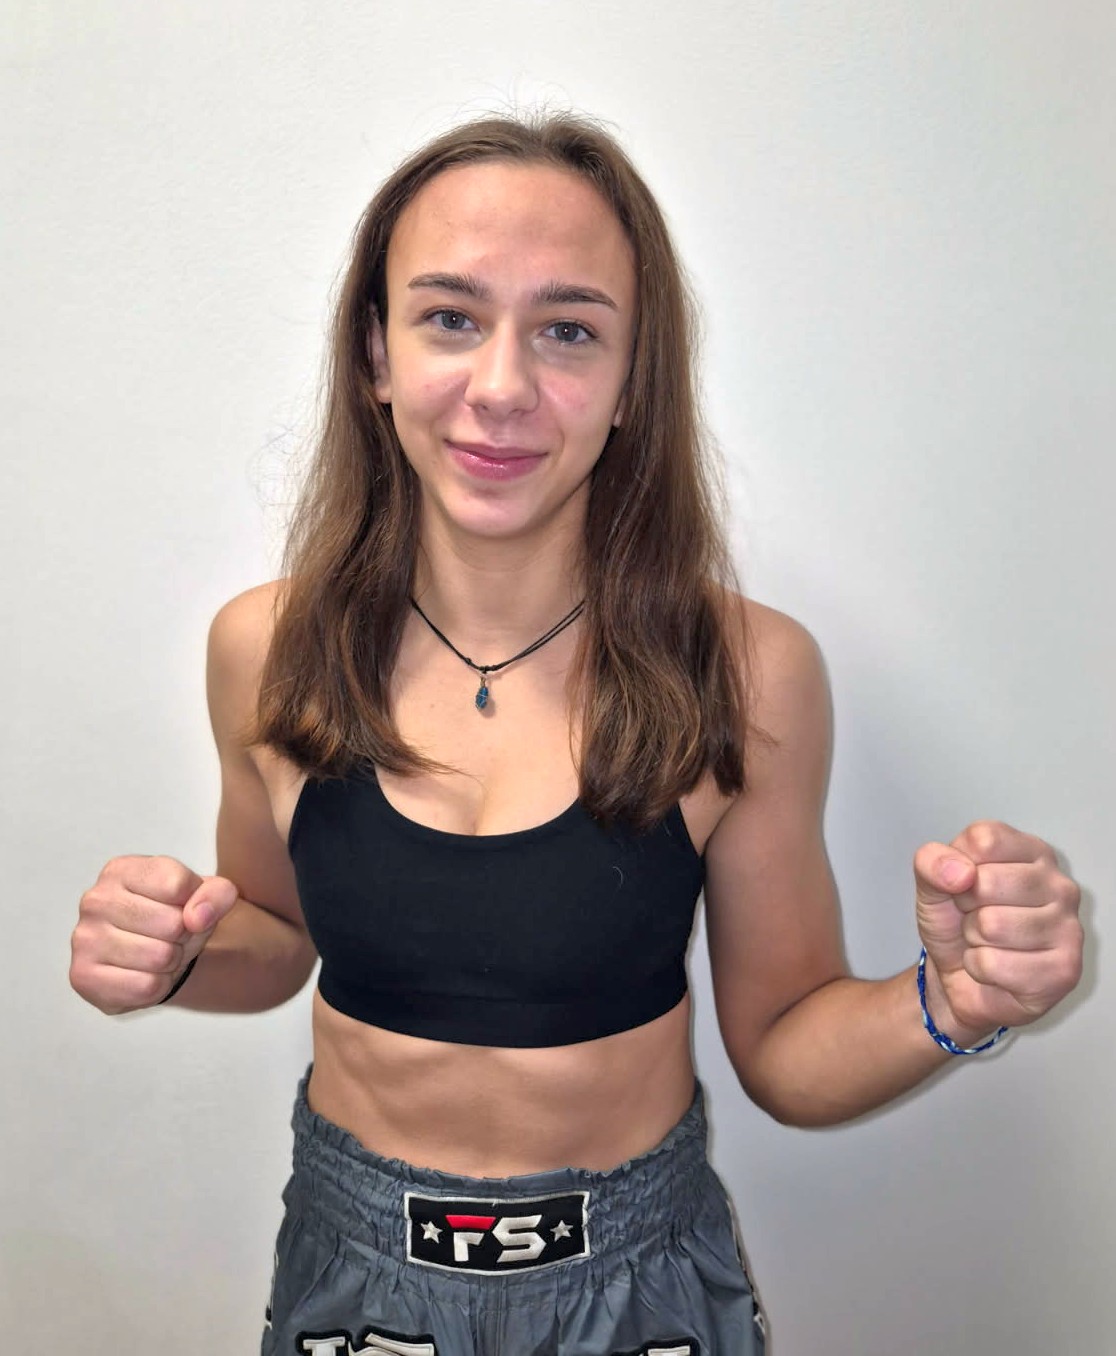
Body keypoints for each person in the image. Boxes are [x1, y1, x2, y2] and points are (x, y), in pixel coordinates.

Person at [69, 113, 1084, 1356]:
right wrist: (176, 953)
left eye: (568, 331)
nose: (502, 387)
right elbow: (274, 945)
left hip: (640, 1282)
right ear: (376, 353)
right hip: (354, 1275)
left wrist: (957, 999)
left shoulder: (748, 675)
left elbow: (784, 1051)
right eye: (451, 317)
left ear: (629, 382)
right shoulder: (266, 650)